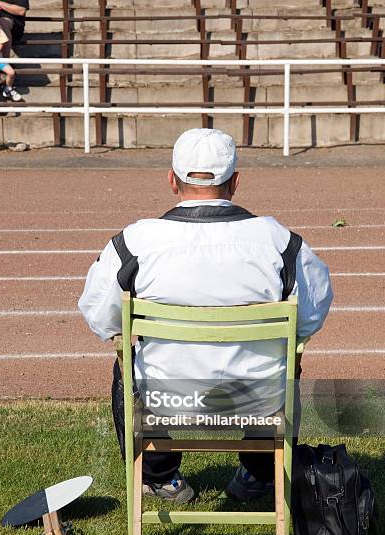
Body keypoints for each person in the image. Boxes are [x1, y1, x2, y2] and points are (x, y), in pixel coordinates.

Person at [79, 128, 333, 503]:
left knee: (125, 363)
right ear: (235, 183)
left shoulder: (136, 242)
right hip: (257, 397)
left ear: (171, 181)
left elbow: (100, 317)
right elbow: (311, 316)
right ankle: (261, 473)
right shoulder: (279, 242)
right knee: (290, 362)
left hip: (168, 396)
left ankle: (158, 476)